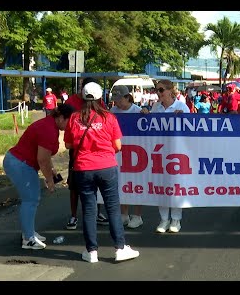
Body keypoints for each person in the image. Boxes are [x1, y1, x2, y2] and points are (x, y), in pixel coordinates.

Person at [64, 80, 139, 263]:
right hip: (106, 166)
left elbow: (67, 144)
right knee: (112, 207)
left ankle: (91, 252)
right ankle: (120, 249)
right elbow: (118, 146)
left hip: (83, 168)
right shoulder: (108, 117)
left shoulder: (74, 118)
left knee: (89, 209)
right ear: (100, 97)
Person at [3, 104, 75, 250]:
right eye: (70, 121)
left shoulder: (50, 125)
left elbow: (45, 156)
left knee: (31, 199)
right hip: (21, 164)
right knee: (30, 199)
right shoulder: (48, 129)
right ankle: (28, 239)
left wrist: (52, 170)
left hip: (21, 162)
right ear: (61, 118)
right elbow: (42, 159)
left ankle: (28, 233)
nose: (71, 125)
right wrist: (49, 180)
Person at [64, 78, 109, 230]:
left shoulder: (100, 102)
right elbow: (66, 127)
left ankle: (97, 213)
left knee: (98, 185)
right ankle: (73, 216)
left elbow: (105, 119)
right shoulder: (71, 101)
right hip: (78, 152)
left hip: (97, 152)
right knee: (74, 186)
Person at [150, 79, 190, 233]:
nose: (158, 93)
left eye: (161, 90)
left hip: (177, 151)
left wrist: (183, 118)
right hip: (160, 151)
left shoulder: (181, 106)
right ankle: (164, 219)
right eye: (156, 90)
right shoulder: (156, 107)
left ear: (169, 91)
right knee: (162, 185)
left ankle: (176, 220)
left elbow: (191, 129)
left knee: (176, 186)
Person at [110, 84, 148, 229]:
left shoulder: (138, 111)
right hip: (119, 151)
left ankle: (137, 215)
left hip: (137, 152)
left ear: (127, 97)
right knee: (122, 182)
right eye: (115, 99)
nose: (117, 102)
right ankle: (124, 214)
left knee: (137, 183)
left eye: (120, 99)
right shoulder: (113, 111)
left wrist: (146, 114)